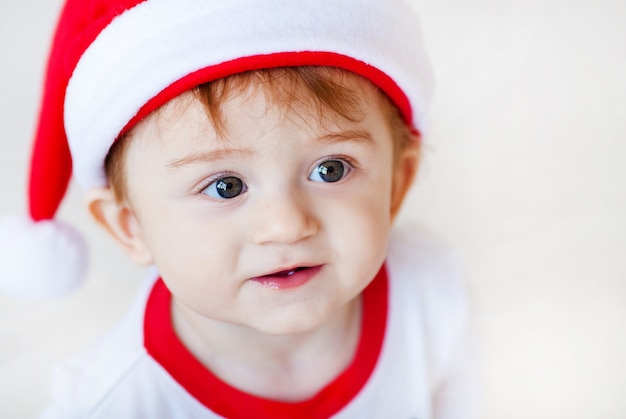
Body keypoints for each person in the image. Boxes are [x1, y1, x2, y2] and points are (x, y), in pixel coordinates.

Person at [0, 0, 479, 417]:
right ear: (131, 228)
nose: (286, 224)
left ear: (397, 183)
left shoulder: (430, 293)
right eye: (226, 186)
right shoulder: (113, 402)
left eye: (331, 170)